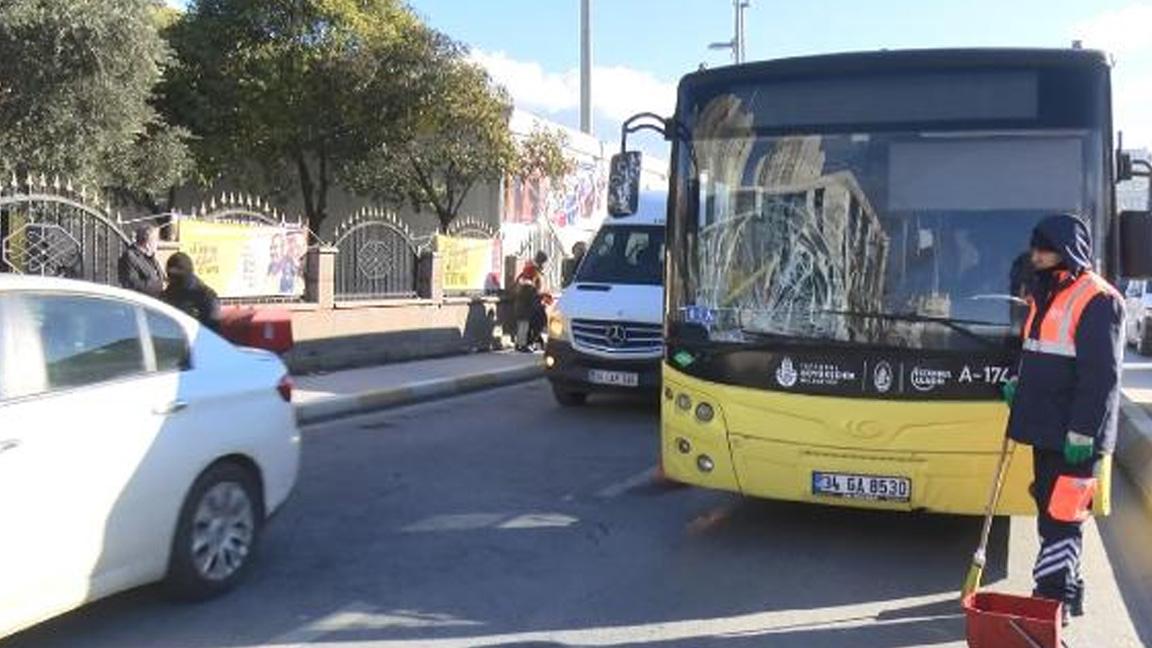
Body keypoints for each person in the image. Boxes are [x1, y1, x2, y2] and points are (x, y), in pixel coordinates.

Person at [1004, 213, 1124, 626]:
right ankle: (1067, 595)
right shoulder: (1045, 291)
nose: (1035, 255)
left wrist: (1083, 431)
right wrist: (1017, 382)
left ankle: (1047, 604)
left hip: (1076, 436)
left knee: (1063, 518)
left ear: (1066, 250)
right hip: (1045, 426)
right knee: (1049, 512)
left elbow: (1101, 376)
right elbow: (1037, 350)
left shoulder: (1098, 299)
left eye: (1044, 248)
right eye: (1035, 247)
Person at [161, 252, 222, 332]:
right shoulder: (168, 293)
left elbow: (213, 330)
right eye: (170, 274)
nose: (172, 279)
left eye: (176, 274)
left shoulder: (205, 296)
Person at [514, 251, 548, 352]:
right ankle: (523, 344)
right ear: (541, 262)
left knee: (529, 324)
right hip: (528, 302)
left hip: (531, 301)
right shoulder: (531, 270)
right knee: (526, 324)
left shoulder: (532, 270)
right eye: (544, 263)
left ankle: (527, 343)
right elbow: (530, 286)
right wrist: (538, 294)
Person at [118, 225, 164, 298]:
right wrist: (159, 285)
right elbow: (132, 285)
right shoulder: (129, 257)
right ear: (148, 243)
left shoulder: (151, 256)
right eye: (156, 240)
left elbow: (160, 277)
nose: (158, 244)